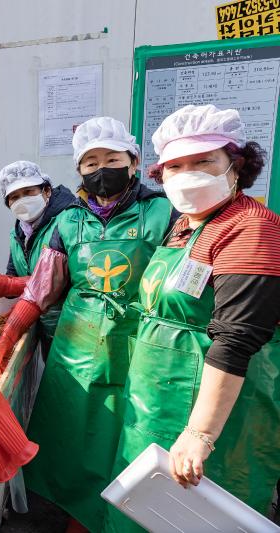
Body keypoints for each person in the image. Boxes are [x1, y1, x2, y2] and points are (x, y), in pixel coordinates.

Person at [0, 117, 175, 531]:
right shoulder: (71, 221)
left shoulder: (164, 211)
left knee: (125, 437)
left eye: (111, 159)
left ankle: (117, 517)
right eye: (90, 163)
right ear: (80, 171)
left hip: (135, 348)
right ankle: (76, 513)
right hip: (76, 350)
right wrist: (10, 330)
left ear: (134, 161)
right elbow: (41, 287)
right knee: (72, 438)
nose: (100, 169)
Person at [104, 105, 280, 531]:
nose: (188, 174)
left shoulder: (251, 228)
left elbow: (236, 339)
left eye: (205, 161)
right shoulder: (184, 224)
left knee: (195, 515)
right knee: (142, 507)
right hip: (155, 398)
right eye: (175, 166)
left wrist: (200, 433)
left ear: (235, 166)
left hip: (211, 407)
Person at [0, 161, 75, 357]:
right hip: (40, 320)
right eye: (14, 197)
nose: (22, 200)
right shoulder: (19, 231)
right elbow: (13, 275)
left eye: (28, 192)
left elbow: (63, 280)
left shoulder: (67, 221)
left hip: (70, 325)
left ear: (47, 190)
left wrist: (7, 285)